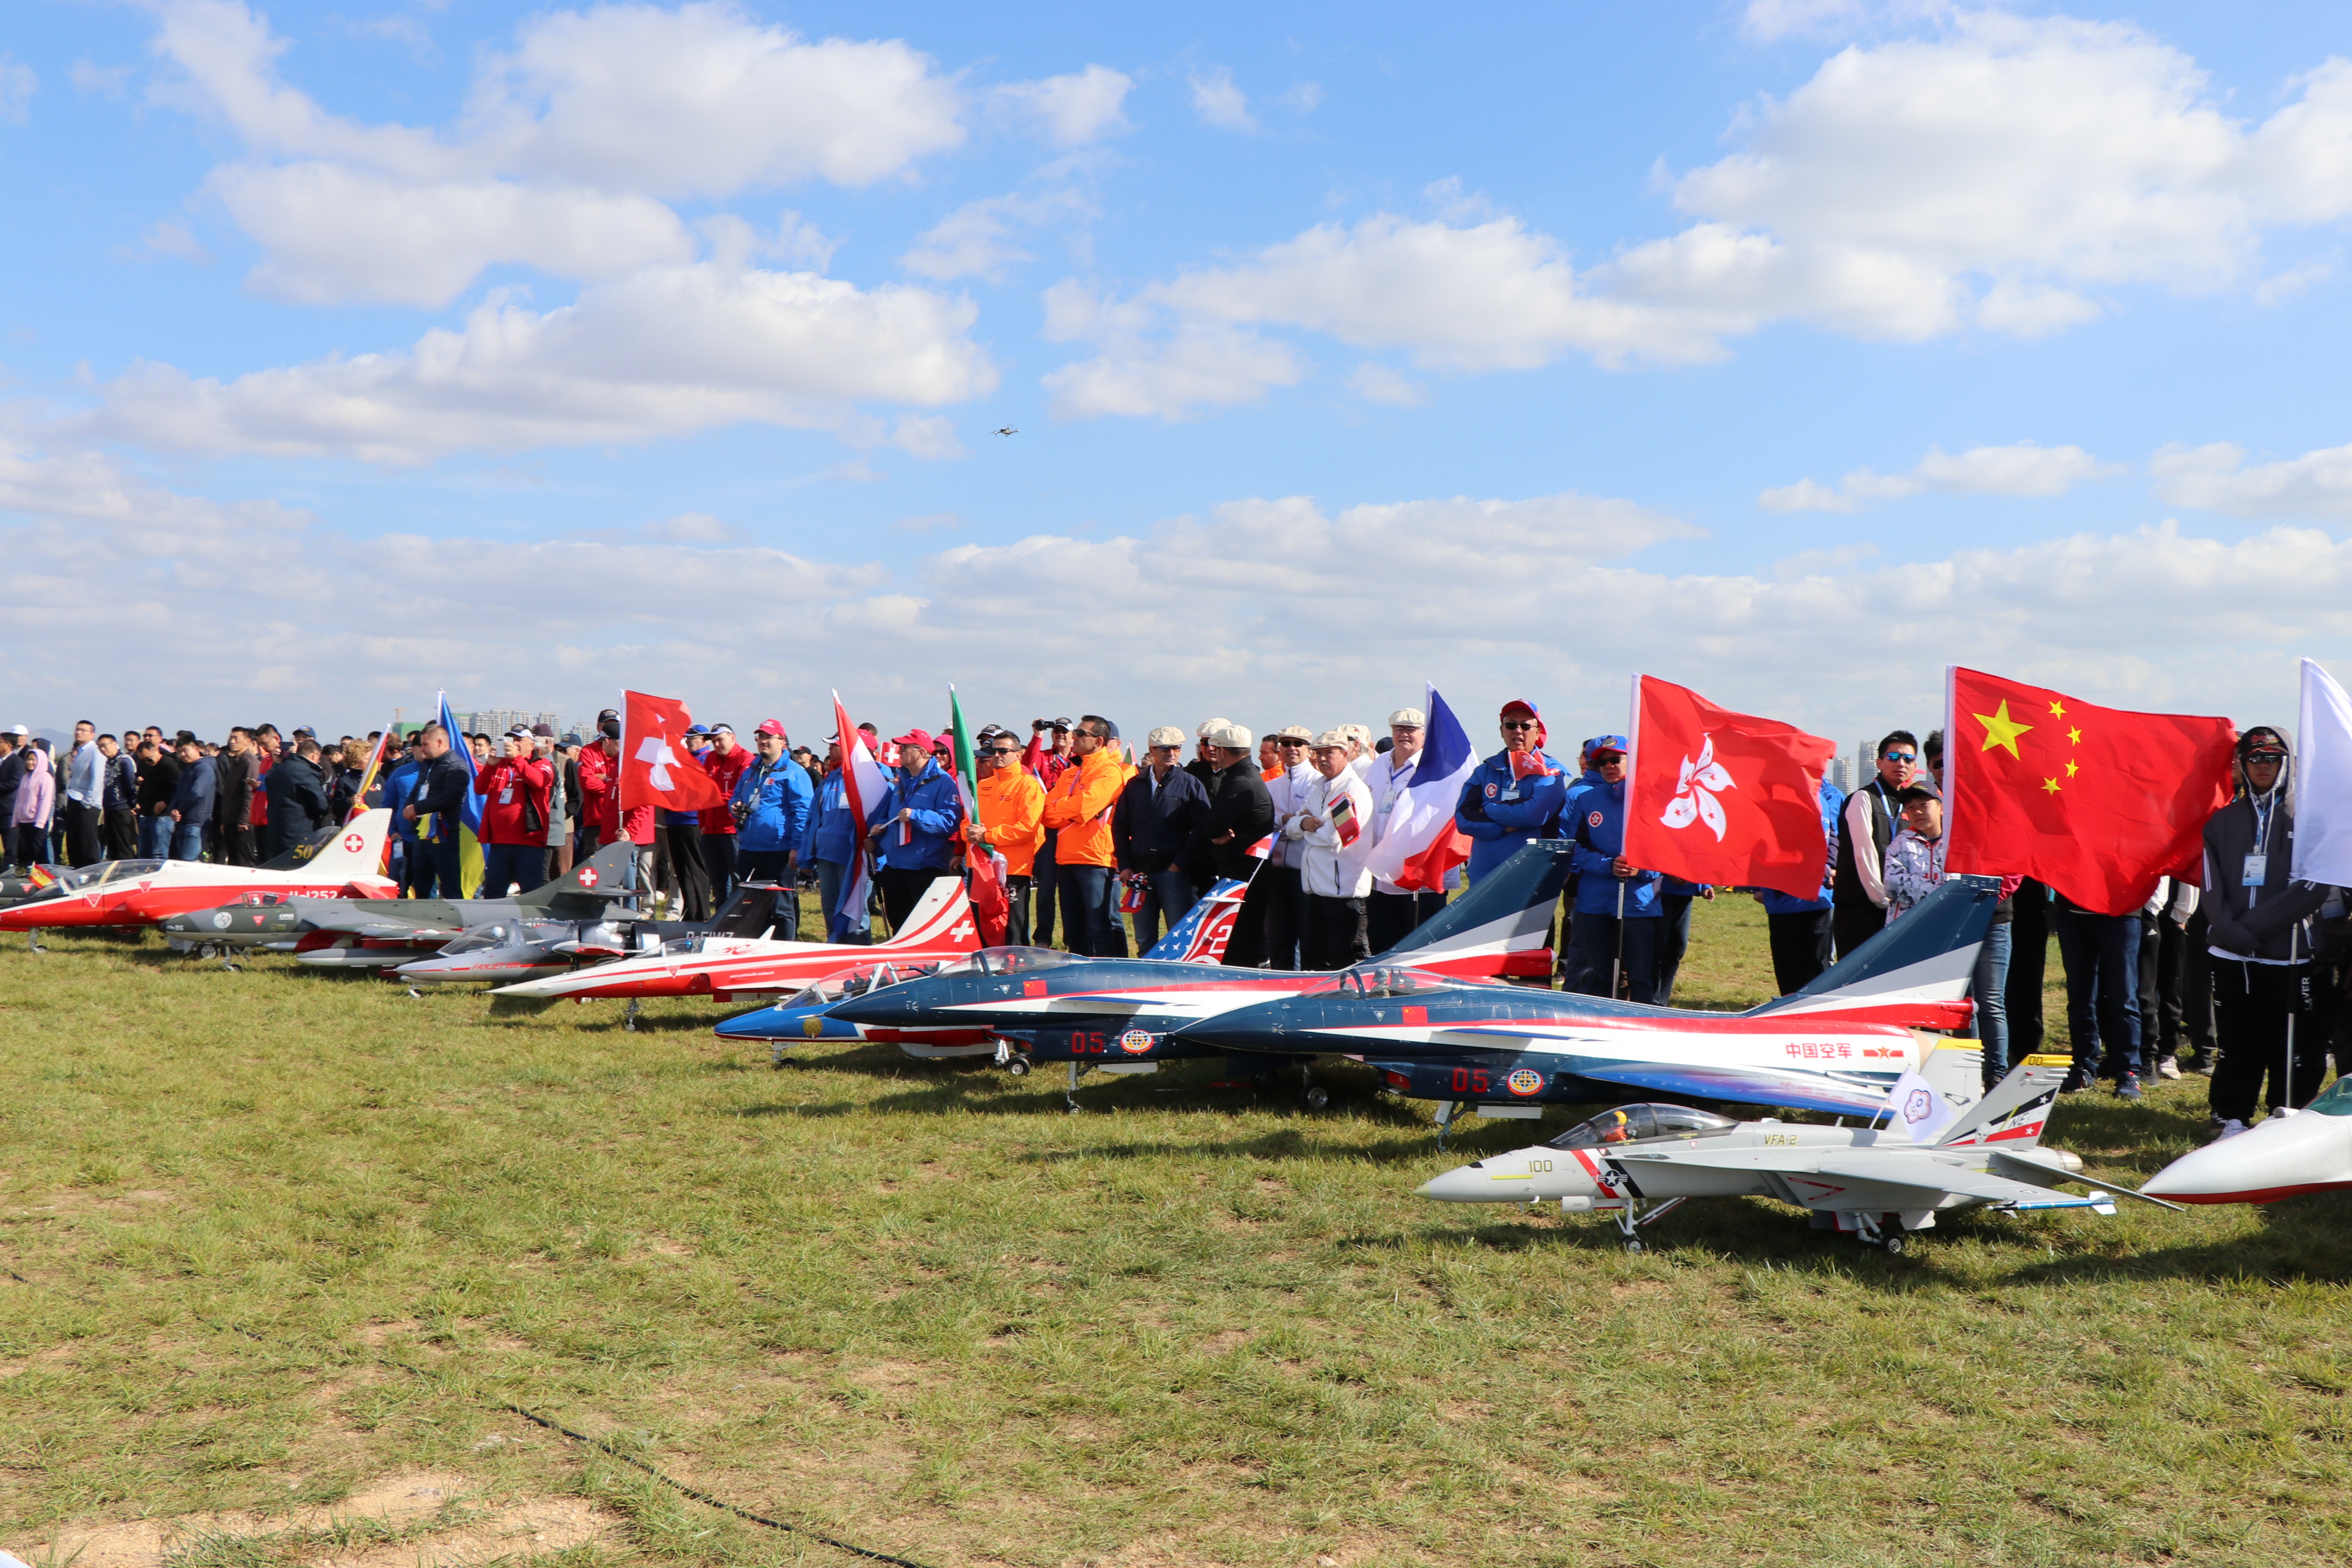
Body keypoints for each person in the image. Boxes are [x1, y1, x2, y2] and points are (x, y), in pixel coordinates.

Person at [2201, 726, 2333, 1136]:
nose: (2263, 765)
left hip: (2288, 953)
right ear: (2241, 763)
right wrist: (2228, 931)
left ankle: (2286, 1114)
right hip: (2231, 953)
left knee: (2291, 1044)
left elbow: (2316, 886)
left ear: (2288, 764)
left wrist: (2251, 929)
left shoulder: (2309, 821)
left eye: (2273, 758)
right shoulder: (2221, 822)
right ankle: (2233, 1115)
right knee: (2238, 1041)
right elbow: (2210, 882)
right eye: (2255, 758)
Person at [1564, 739, 1664, 1002]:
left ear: (1633, 761)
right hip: (1594, 903)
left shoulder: (1653, 800)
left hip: (1638, 904)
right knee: (1599, 977)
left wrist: (1640, 868)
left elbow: (1667, 850)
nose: (1608, 766)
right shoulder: (1587, 800)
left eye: (1615, 760)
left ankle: (1646, 1027)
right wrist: (1607, 865)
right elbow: (1575, 848)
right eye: (1601, 762)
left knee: (1641, 977)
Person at [1113, 725, 1211, 950]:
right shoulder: (1135, 784)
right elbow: (1119, 825)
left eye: (1176, 748)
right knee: (1144, 937)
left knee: (1177, 935)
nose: (1171, 753)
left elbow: (1200, 829)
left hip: (1173, 874)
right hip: (1139, 873)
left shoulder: (1190, 784)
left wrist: (1179, 864)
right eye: (1164, 748)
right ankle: (1146, 982)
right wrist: (1125, 865)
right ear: (1152, 750)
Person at [1037, 716, 1128, 955]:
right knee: (1073, 930)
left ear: (1099, 741)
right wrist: (1071, 810)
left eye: (1080, 733)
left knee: (1100, 927)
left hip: (1095, 860)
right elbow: (1046, 814)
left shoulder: (1109, 772)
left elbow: (1084, 807)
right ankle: (1081, 977)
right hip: (1066, 858)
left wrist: (1065, 807)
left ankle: (1110, 978)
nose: (1073, 737)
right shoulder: (1071, 772)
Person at [1454, 700, 1567, 886]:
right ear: (1502, 731)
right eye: (1511, 725)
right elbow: (1464, 820)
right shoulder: (1485, 771)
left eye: (1525, 726)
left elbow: (1533, 815)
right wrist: (1505, 828)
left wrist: (1488, 809)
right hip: (1485, 874)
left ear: (1538, 732)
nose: (1518, 730)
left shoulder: (1551, 771)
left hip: (1530, 875)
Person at [1290, 730, 1376, 969]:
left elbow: (1334, 836)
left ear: (1345, 755)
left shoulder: (1353, 789)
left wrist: (1305, 824)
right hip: (1317, 890)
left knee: (1343, 960)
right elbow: (1292, 827)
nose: (1323, 758)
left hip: (1343, 894)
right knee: (1314, 959)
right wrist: (1303, 822)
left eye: (1330, 753)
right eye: (1318, 753)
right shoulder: (1319, 786)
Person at [1194, 724, 1278, 968]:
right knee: (1240, 937)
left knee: (1241, 939)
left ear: (1223, 752)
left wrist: (1217, 834)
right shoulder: (1242, 777)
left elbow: (1211, 826)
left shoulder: (1241, 782)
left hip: (1246, 872)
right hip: (1245, 869)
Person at [869, 727, 965, 933]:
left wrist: (916, 816)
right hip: (895, 865)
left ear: (921, 752)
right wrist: (882, 825)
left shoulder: (943, 783)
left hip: (924, 868)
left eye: (905, 747)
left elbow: (949, 822)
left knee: (922, 927)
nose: (899, 751)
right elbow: (893, 814)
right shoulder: (902, 780)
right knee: (898, 923)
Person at [1364, 708, 1445, 953]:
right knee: (1382, 943)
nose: (1403, 734)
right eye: (1398, 729)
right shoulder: (1379, 765)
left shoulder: (1435, 768)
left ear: (1424, 734)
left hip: (1419, 875)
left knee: (1418, 946)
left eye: (1410, 729)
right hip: (1381, 873)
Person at [1757, 775, 1844, 995]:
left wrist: (1830, 865)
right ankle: (1791, 1015)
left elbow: (1833, 833)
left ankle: (1818, 1018)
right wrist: (1759, 882)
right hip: (1783, 897)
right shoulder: (1774, 792)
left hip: (1818, 897)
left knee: (1819, 967)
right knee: (1788, 969)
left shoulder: (1828, 794)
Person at [1833, 731, 1916, 958]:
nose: (1901, 763)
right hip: (1860, 906)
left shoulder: (1910, 804)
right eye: (1893, 757)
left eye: (1908, 759)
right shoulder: (1863, 798)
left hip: (1896, 907)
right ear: (1879, 762)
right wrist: (1881, 897)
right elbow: (1863, 853)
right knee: (1857, 979)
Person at [732, 722, 812, 936]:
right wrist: (735, 807)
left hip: (779, 850)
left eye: (769, 737)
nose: (763, 741)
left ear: (782, 743)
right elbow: (737, 796)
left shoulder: (794, 772)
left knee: (780, 909)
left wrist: (797, 847)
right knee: (751, 907)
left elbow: (803, 812)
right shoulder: (752, 770)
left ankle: (785, 950)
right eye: (760, 737)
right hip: (750, 849)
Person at [969, 725, 1046, 946]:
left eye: (1003, 751)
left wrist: (987, 836)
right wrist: (970, 832)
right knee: (983, 921)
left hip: (1014, 867)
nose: (996, 755)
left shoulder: (1028, 785)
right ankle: (988, 967)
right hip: (983, 866)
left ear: (1019, 755)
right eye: (994, 751)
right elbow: (969, 818)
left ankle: (1018, 970)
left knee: (1013, 925)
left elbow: (1027, 828)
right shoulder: (984, 785)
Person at [803, 734, 872, 943]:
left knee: (854, 910)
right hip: (825, 854)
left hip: (851, 857)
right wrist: (807, 855)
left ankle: (860, 952)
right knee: (830, 907)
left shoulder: (864, 779)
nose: (830, 748)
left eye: (835, 744)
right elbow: (813, 818)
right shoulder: (829, 779)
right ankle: (835, 948)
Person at [473, 727, 554, 896]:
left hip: (528, 841)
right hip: (499, 842)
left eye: (519, 740)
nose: (513, 744)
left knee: (531, 891)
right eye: (511, 739)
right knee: (493, 892)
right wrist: (490, 766)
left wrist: (517, 759)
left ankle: (532, 923)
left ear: (531, 745)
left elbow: (539, 781)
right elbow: (479, 789)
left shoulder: (542, 763)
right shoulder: (500, 764)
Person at [403, 724, 471, 898]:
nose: (422, 749)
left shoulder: (456, 766)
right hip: (423, 833)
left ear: (439, 742)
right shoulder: (428, 765)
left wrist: (416, 808)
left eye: (425, 744)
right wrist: (409, 807)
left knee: (449, 884)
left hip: (444, 833)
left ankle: (455, 921)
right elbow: (418, 790)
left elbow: (449, 798)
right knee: (422, 884)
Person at [1028, 717, 1074, 948]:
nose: (1060, 735)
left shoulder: (1078, 759)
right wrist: (1038, 735)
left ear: (1074, 735)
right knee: (1046, 886)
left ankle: (1071, 937)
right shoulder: (1045, 756)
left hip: (1072, 828)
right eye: (1056, 731)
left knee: (1068, 888)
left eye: (1064, 731)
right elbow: (1027, 766)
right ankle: (1043, 937)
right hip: (1048, 830)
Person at [1881, 780, 1946, 920]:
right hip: (1907, 927)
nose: (1917, 812)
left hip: (1945, 924)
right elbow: (1892, 883)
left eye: (1924, 805)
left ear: (1941, 808)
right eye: (1911, 807)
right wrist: (1942, 891)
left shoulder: (1955, 844)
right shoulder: (1902, 842)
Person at [263, 738, 331, 860]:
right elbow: (321, 806)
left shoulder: (278, 769)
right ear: (315, 755)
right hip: (299, 836)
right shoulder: (306, 772)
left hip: (275, 834)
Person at [217, 729, 262, 867]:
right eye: (231, 738)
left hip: (242, 823)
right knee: (233, 863)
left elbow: (250, 793)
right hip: (231, 821)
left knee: (244, 864)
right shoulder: (235, 762)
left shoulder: (250, 762)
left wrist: (244, 820)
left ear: (248, 741)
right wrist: (225, 820)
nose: (232, 741)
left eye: (236, 738)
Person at [165, 734, 214, 860]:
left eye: (186, 750)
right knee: (182, 862)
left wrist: (180, 810)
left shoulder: (205, 768)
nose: (183, 755)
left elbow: (197, 793)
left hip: (196, 823)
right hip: (182, 822)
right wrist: (173, 810)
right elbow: (177, 793)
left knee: (190, 862)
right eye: (180, 752)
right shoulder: (187, 770)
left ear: (196, 748)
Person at [61, 720, 103, 866]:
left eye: (83, 730)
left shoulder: (96, 752)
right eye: (77, 729)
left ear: (92, 735)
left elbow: (97, 779)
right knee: (74, 842)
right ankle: (76, 870)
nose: (79, 732)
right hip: (74, 799)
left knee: (87, 843)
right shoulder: (80, 751)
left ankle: (91, 872)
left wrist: (88, 802)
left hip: (86, 803)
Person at [133, 736, 181, 858]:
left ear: (156, 750)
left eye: (148, 759)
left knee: (159, 855)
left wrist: (167, 801)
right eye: (143, 760)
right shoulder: (146, 765)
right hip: (146, 813)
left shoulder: (167, 764)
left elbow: (179, 785)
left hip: (162, 817)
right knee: (144, 855)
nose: (147, 762)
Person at [11, 740, 55, 870]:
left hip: (37, 822)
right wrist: (15, 821)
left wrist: (40, 822)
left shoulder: (45, 777)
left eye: (34, 760)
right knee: (29, 855)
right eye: (29, 759)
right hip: (24, 821)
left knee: (40, 855)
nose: (30, 762)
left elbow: (45, 801)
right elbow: (19, 800)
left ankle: (47, 880)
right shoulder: (25, 777)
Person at [97, 733, 139, 860]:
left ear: (114, 744)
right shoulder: (107, 761)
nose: (103, 749)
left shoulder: (124, 760)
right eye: (100, 747)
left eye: (105, 745)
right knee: (113, 846)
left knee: (123, 845)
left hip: (121, 806)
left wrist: (132, 804)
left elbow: (130, 784)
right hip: (109, 807)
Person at [1185, 719, 1229, 785]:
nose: (1210, 748)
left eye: (1216, 744)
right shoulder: (1188, 775)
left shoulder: (1237, 775)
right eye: (1206, 743)